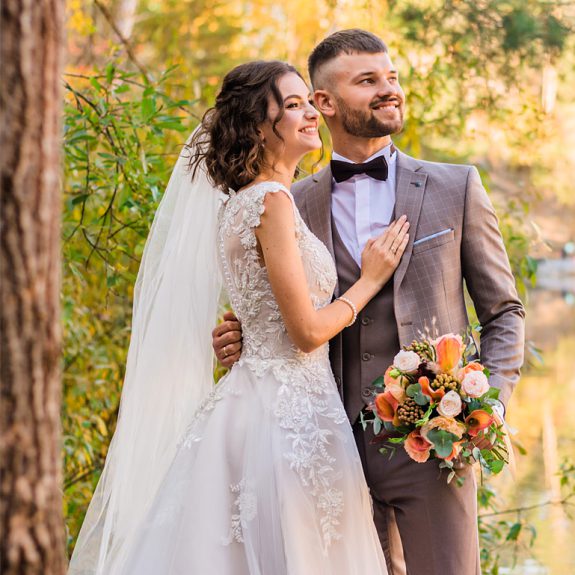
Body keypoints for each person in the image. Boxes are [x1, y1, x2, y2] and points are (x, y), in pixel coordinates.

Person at [68, 60, 411, 575]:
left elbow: (262, 312)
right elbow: (305, 332)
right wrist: (370, 278)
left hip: (257, 402)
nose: (310, 114)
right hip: (289, 416)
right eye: (292, 105)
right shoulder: (271, 201)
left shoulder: (241, 204)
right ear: (257, 125)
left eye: (307, 101)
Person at [213, 30, 526, 575]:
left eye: (392, 78)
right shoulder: (289, 197)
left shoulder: (457, 187)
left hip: (432, 448)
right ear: (324, 103)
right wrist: (241, 334)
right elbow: (282, 304)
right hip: (322, 447)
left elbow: (504, 313)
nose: (389, 90)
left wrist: (485, 408)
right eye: (368, 81)